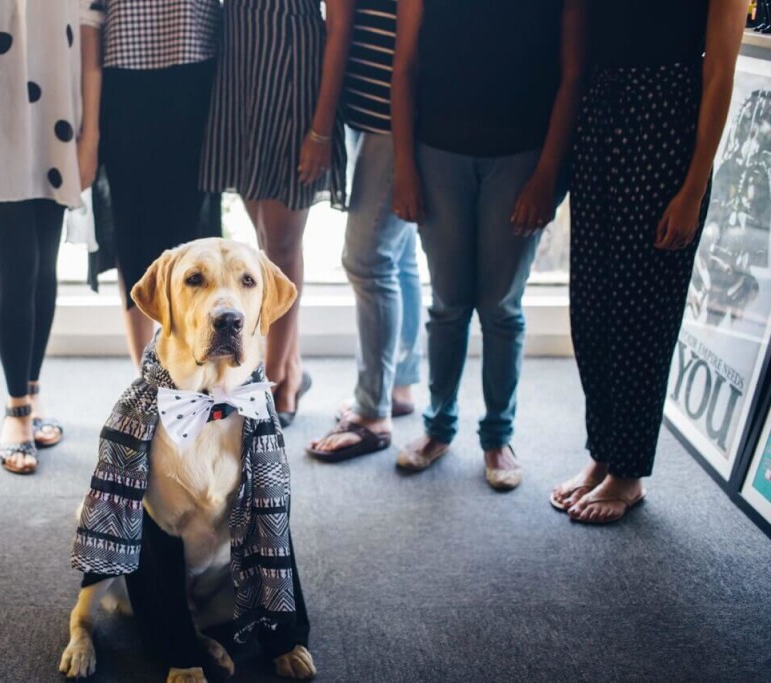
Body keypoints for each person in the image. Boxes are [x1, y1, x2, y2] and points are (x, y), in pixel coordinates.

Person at [551, 0, 747, 523]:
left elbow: (720, 71)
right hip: (600, 118)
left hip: (667, 131)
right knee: (591, 307)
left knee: (642, 315)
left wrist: (693, 188)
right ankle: (602, 454)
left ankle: (629, 472)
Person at [392, 0, 585, 488]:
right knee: (449, 303)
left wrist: (546, 174)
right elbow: (406, 64)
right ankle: (437, 428)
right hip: (436, 155)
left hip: (521, 158)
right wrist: (404, 166)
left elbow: (572, 74)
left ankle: (498, 436)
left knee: (500, 307)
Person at [0, 0, 100, 474]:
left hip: (57, 102)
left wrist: (89, 136)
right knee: (19, 265)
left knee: (44, 266)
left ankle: (31, 390)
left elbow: (91, 29)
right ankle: (16, 408)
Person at [200, 0, 355, 427]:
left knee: (282, 245)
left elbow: (340, 26)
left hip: (293, 88)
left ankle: (275, 380)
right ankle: (292, 365)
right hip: (241, 80)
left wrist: (320, 130)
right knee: (267, 241)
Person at [306, 0, 423, 461]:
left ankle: (373, 413)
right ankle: (399, 384)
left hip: (392, 121)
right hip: (369, 113)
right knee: (398, 254)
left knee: (367, 260)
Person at [86, 0, 222, 369]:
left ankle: (187, 370)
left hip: (195, 68)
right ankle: (145, 375)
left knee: (189, 232)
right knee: (130, 227)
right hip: (121, 73)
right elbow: (91, 12)